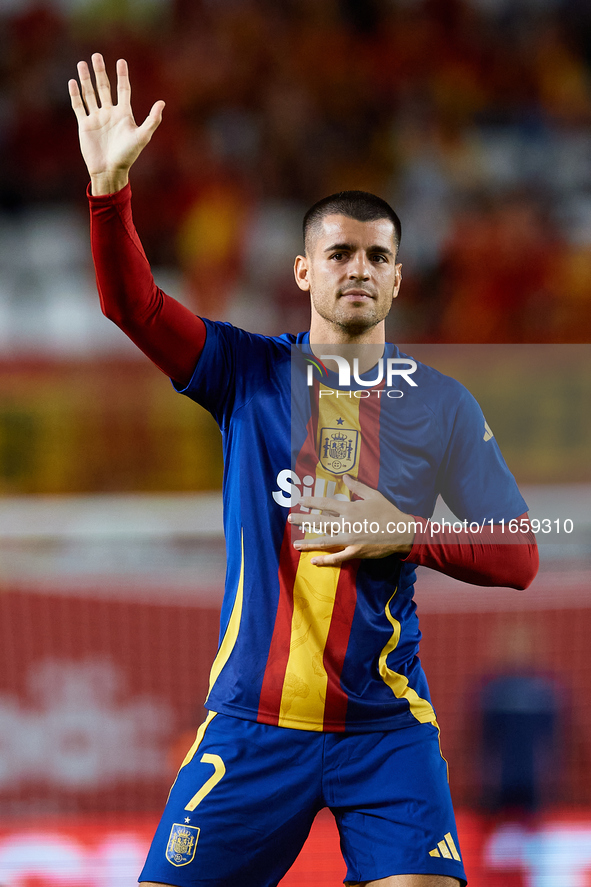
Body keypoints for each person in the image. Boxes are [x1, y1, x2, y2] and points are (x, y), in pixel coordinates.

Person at [69, 54, 539, 887]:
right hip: (254, 723)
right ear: (302, 272)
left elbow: (518, 557)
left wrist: (406, 532)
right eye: (338, 254)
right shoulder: (244, 373)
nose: (356, 267)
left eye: (375, 256)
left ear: (397, 278)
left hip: (385, 728)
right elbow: (131, 306)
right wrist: (110, 193)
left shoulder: (442, 407)